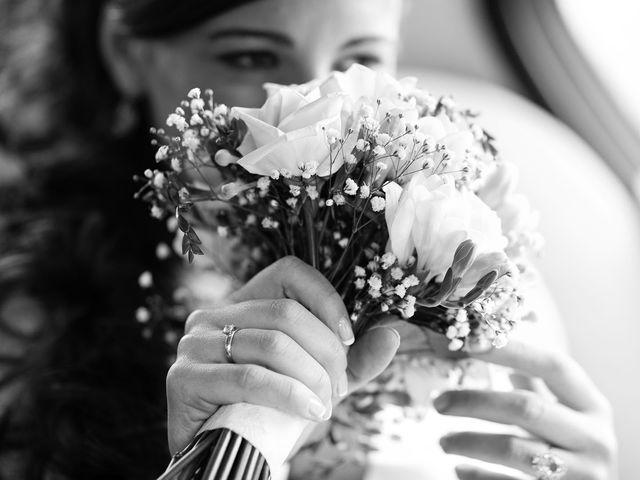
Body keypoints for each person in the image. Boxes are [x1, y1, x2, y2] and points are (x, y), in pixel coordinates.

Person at [0, 1, 617, 479]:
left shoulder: (465, 262)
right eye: (250, 58)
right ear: (127, 52)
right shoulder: (30, 318)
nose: (325, 111)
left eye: (360, 62)